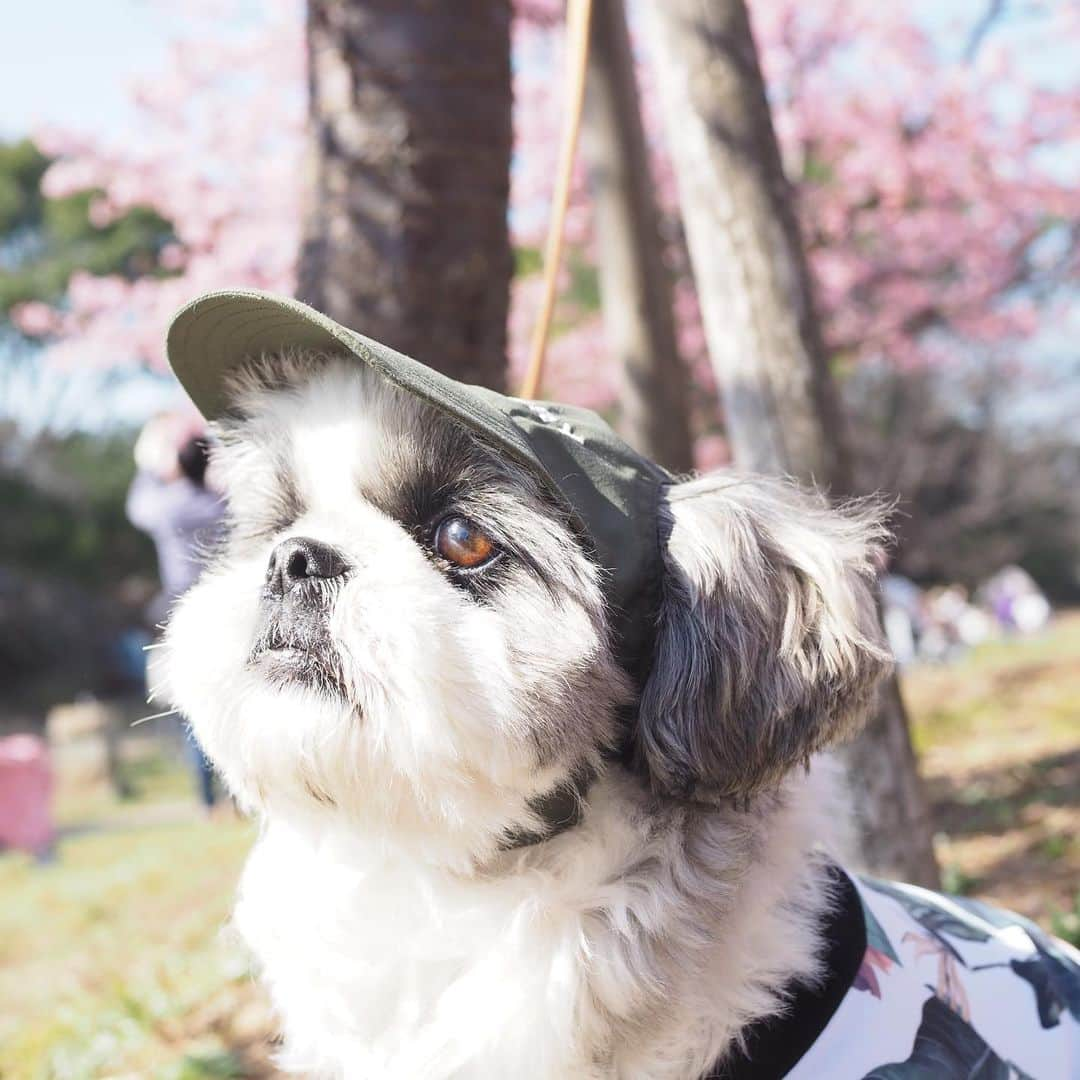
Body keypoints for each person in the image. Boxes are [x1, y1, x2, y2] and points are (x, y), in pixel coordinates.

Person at [126, 415, 226, 812]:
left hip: (184, 611)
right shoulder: (219, 502)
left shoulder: (170, 506)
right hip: (225, 604)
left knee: (192, 708)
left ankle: (207, 801)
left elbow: (137, 506)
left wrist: (150, 463)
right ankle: (237, 796)